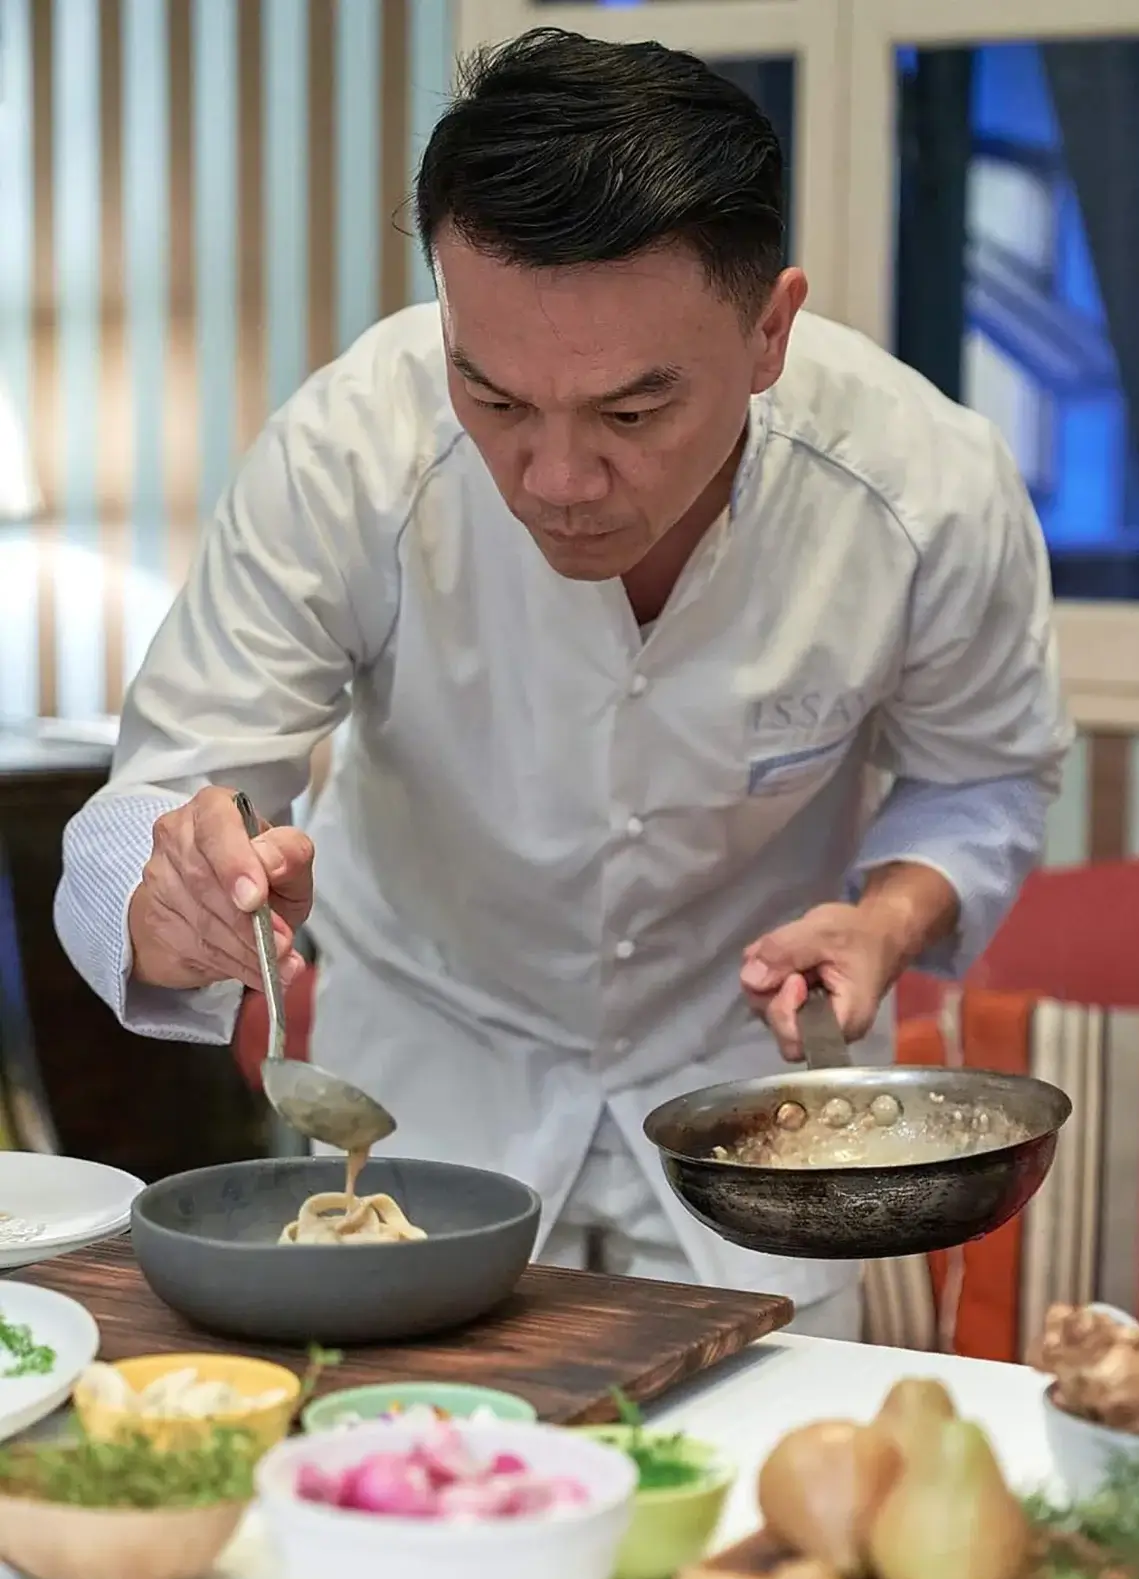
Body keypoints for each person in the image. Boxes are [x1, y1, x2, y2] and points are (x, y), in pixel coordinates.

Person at [55, 29, 1072, 1338]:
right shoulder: (350, 450)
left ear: (770, 331)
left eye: (632, 415)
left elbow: (984, 773)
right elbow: (170, 783)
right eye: (493, 400)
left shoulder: (924, 488)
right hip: (419, 1113)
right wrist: (176, 887)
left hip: (757, 1125)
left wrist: (890, 917)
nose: (557, 480)